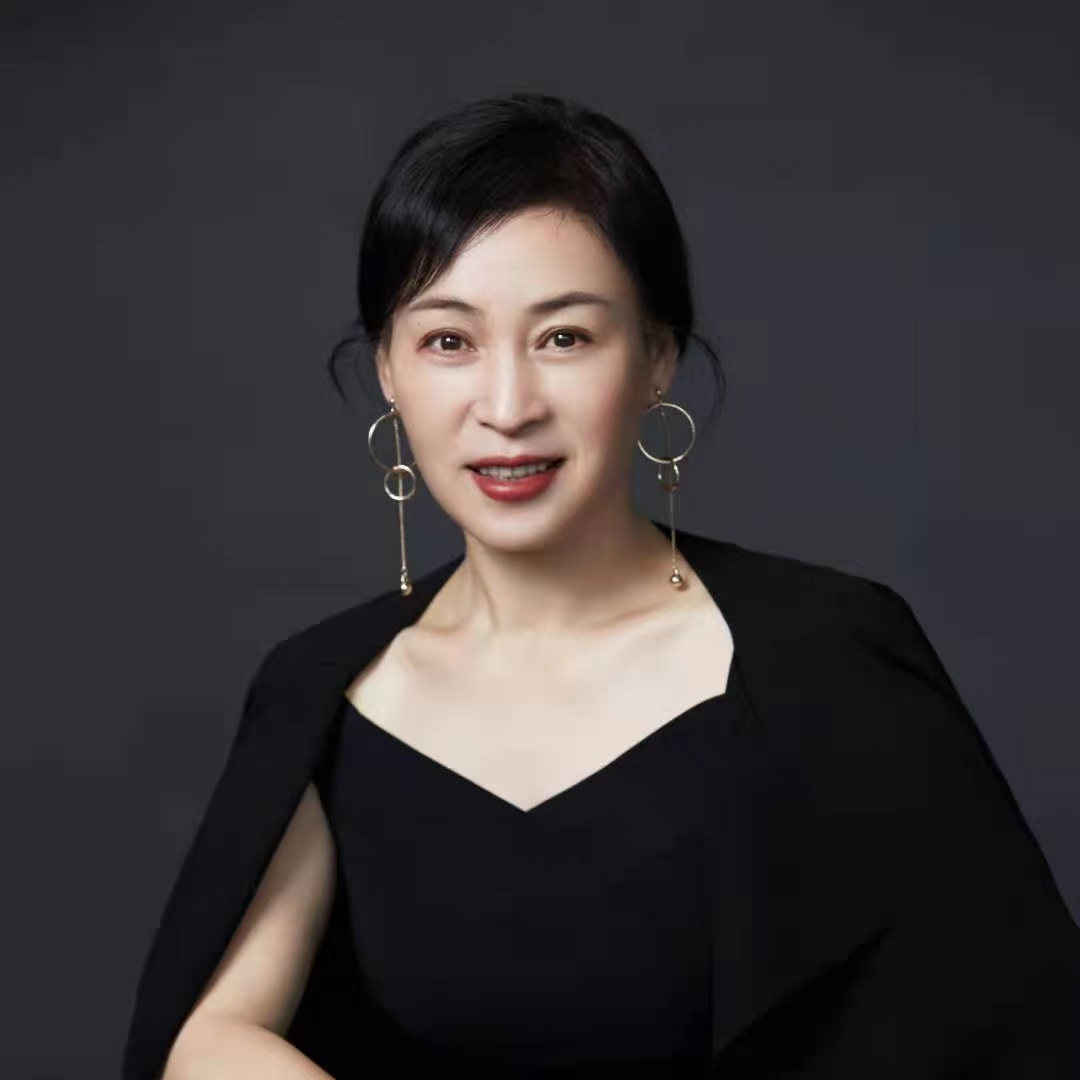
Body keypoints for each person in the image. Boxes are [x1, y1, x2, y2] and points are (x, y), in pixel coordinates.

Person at [122, 92, 1080, 1080]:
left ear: (657, 357)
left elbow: (1012, 1035)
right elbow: (207, 1038)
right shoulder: (324, 693)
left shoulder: (832, 656)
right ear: (388, 371)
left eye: (564, 338)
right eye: (448, 341)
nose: (507, 407)